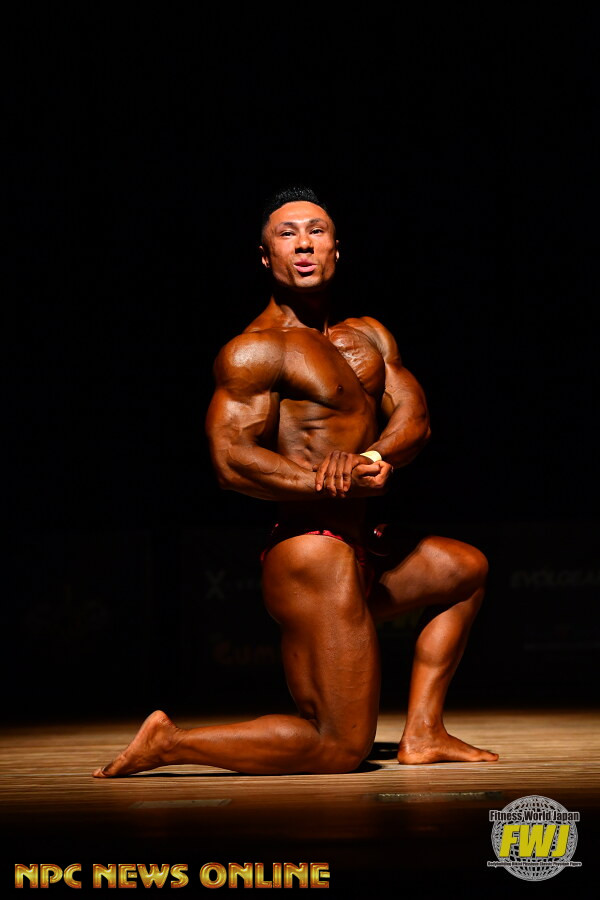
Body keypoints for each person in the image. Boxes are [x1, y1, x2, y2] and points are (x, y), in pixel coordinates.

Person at [93, 187, 498, 778]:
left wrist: (373, 456)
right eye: (287, 234)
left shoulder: (369, 335)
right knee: (339, 746)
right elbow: (230, 460)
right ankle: (171, 743)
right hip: (312, 554)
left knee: (465, 569)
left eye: (316, 231)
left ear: (336, 248)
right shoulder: (257, 350)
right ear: (266, 257)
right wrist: (330, 483)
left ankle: (423, 732)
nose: (303, 243)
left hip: (365, 546)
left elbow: (416, 418)